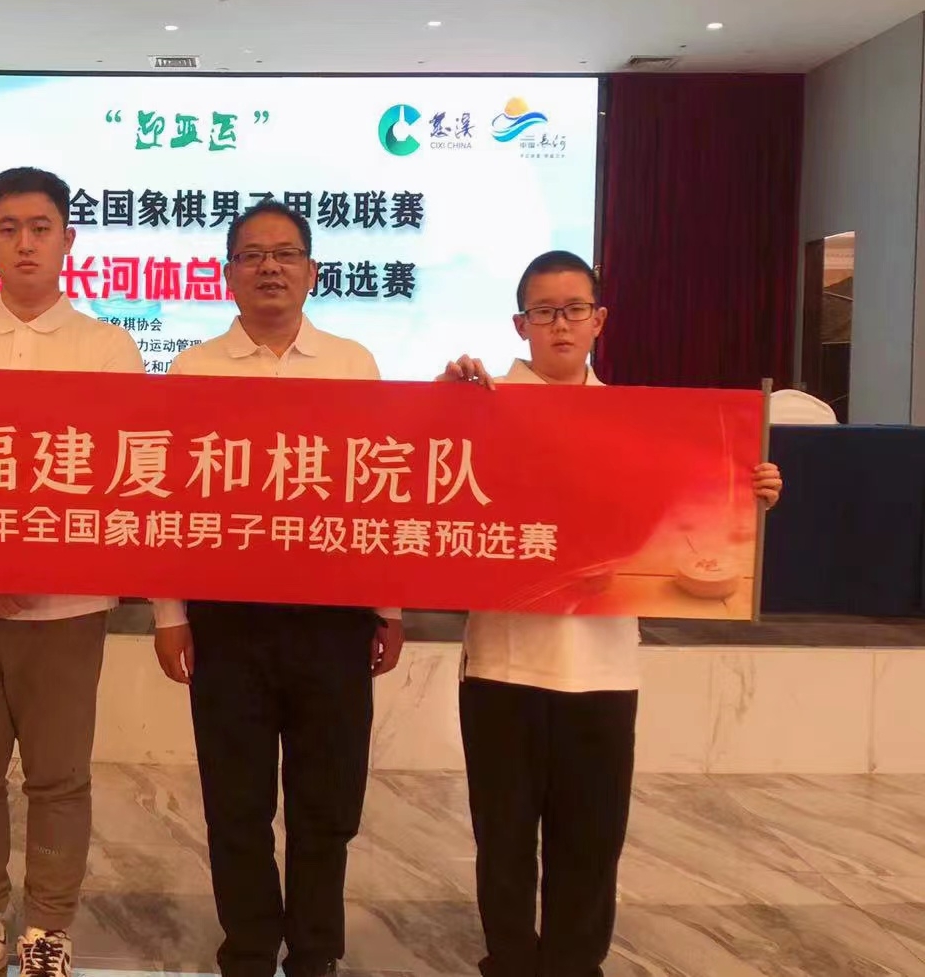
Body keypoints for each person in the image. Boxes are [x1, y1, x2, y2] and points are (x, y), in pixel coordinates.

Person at [439, 250, 784, 977]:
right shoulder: (481, 405)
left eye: (574, 309)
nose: (560, 324)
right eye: (543, 311)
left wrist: (747, 488)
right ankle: (508, 963)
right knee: (503, 841)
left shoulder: (640, 426)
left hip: (602, 668)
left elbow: (690, 514)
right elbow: (425, 488)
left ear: (599, 320)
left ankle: (575, 965)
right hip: (502, 663)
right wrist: (443, 404)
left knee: (591, 843)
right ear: (520, 324)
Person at [151, 201, 406, 977]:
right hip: (227, 621)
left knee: (327, 803)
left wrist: (388, 607)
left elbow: (376, 492)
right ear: (227, 273)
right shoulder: (192, 370)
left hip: (331, 619)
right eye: (253, 254)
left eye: (286, 253)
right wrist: (168, 614)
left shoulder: (353, 364)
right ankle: (250, 949)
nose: (270, 267)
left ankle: (316, 951)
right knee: (236, 804)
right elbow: (169, 500)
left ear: (312, 272)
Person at [0, 166, 144, 977]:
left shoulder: (108, 349)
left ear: (68, 239)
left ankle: (47, 932)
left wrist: (36, 569)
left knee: (58, 779)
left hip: (66, 609)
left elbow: (115, 475)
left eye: (40, 227)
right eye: (7, 228)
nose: (24, 243)